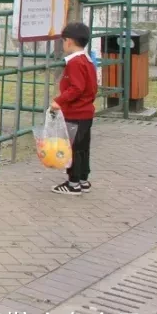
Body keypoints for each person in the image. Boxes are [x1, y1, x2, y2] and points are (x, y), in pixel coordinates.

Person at [51, 22, 98, 195]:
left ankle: (73, 183)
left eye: (63, 41)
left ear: (69, 41)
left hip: (75, 112)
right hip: (86, 112)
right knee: (83, 147)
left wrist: (59, 101)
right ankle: (83, 179)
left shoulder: (75, 63)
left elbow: (76, 88)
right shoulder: (87, 60)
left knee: (73, 148)